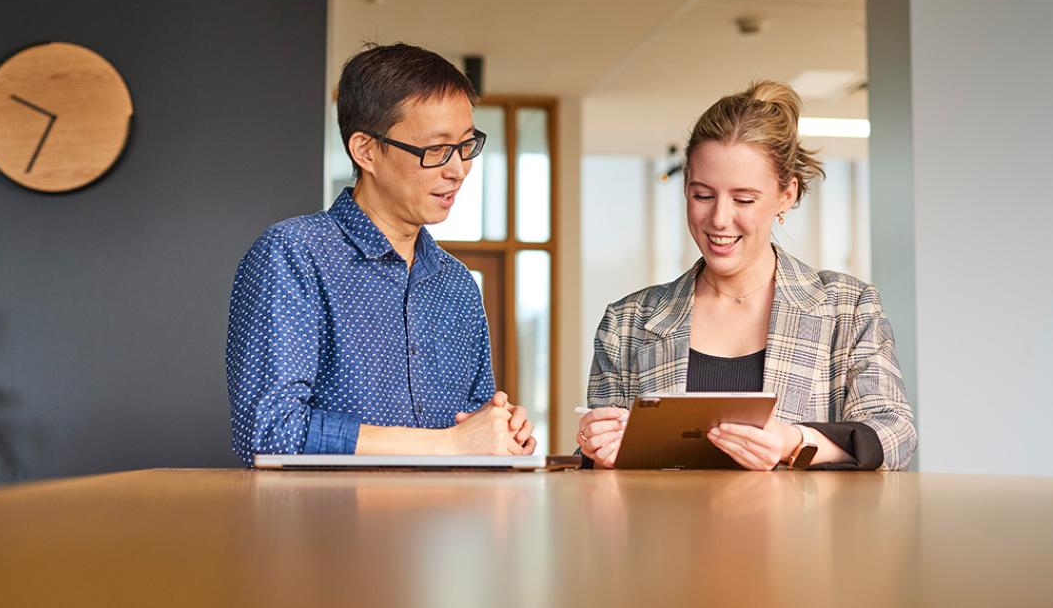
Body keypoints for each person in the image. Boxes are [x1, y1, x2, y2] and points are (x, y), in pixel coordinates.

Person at [578, 80, 917, 471]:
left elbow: (895, 436)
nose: (719, 219)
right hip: (666, 532)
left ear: (786, 195)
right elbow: (602, 478)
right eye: (702, 195)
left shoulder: (847, 308)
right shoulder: (628, 323)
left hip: (801, 534)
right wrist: (596, 452)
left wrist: (794, 441)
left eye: (743, 199)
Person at [226, 43, 534, 465]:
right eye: (437, 150)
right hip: (323, 529)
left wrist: (498, 433)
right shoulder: (294, 254)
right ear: (366, 150)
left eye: (466, 146)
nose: (458, 169)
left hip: (444, 526)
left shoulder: (457, 284)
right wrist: (449, 445)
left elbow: (472, 428)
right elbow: (269, 431)